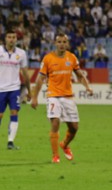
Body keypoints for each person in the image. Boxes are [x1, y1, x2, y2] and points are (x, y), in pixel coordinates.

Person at [30, 33, 93, 163]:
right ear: (55, 43)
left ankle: (64, 145)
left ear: (67, 44)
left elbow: (80, 75)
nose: (62, 44)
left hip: (68, 96)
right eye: (59, 42)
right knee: (55, 122)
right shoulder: (48, 59)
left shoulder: (72, 58)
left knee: (74, 128)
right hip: (53, 96)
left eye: (64, 42)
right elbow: (40, 79)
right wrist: (34, 97)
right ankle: (55, 156)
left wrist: (87, 87)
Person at [0, 30, 31, 149]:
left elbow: (25, 73)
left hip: (15, 88)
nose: (11, 39)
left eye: (13, 37)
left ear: (16, 39)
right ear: (5, 39)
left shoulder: (21, 53)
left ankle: (10, 142)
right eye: (9, 37)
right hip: (0, 89)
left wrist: (30, 90)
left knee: (14, 112)